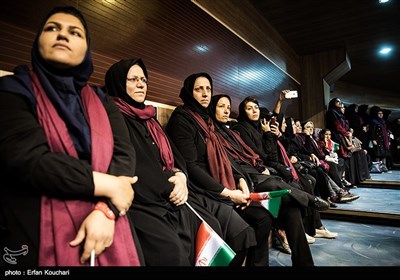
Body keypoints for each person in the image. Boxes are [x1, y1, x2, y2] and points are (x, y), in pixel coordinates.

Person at [0, 6, 143, 266]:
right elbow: (29, 159)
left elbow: (124, 153)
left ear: (86, 48)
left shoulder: (102, 100)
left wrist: (106, 211)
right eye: (52, 28)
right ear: (37, 42)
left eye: (74, 32)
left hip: (108, 211)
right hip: (36, 210)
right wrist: (110, 187)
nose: (62, 35)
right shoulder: (12, 90)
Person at [104, 59, 256, 266]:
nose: (141, 84)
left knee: (213, 228)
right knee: (174, 251)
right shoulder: (113, 115)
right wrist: (177, 183)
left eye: (143, 80)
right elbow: (135, 165)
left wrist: (181, 177)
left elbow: (178, 159)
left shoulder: (149, 117)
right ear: (119, 82)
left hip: (175, 189)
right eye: (133, 79)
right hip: (144, 198)